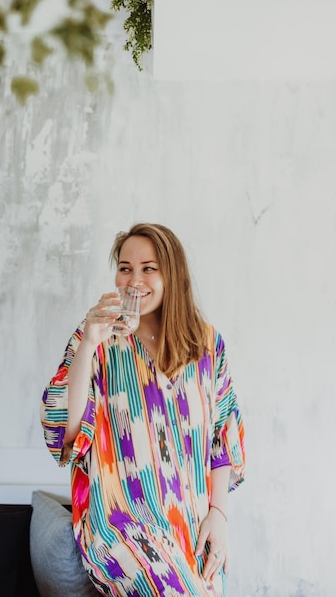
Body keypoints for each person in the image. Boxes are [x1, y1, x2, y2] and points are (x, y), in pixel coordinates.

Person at [41, 223, 245, 597]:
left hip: (190, 521)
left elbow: (223, 437)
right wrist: (88, 344)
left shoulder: (208, 345)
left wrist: (219, 515)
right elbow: (66, 432)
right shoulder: (97, 340)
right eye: (125, 268)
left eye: (149, 268)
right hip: (121, 522)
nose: (134, 280)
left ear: (172, 274)